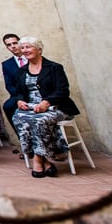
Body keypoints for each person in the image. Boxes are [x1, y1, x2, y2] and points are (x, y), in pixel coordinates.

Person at [11, 36, 80, 178]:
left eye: (28, 47)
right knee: (17, 117)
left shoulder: (54, 67)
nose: (25, 50)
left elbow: (63, 90)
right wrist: (19, 101)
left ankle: (37, 159)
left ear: (39, 49)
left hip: (56, 107)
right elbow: (18, 92)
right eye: (22, 47)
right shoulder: (22, 71)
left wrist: (46, 102)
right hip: (31, 107)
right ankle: (46, 161)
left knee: (39, 121)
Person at [0, 33, 25, 134]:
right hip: (19, 95)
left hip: (37, 92)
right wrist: (20, 98)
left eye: (15, 43)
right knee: (8, 106)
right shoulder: (7, 64)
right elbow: (9, 85)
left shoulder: (31, 57)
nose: (13, 46)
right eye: (9, 45)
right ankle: (22, 138)